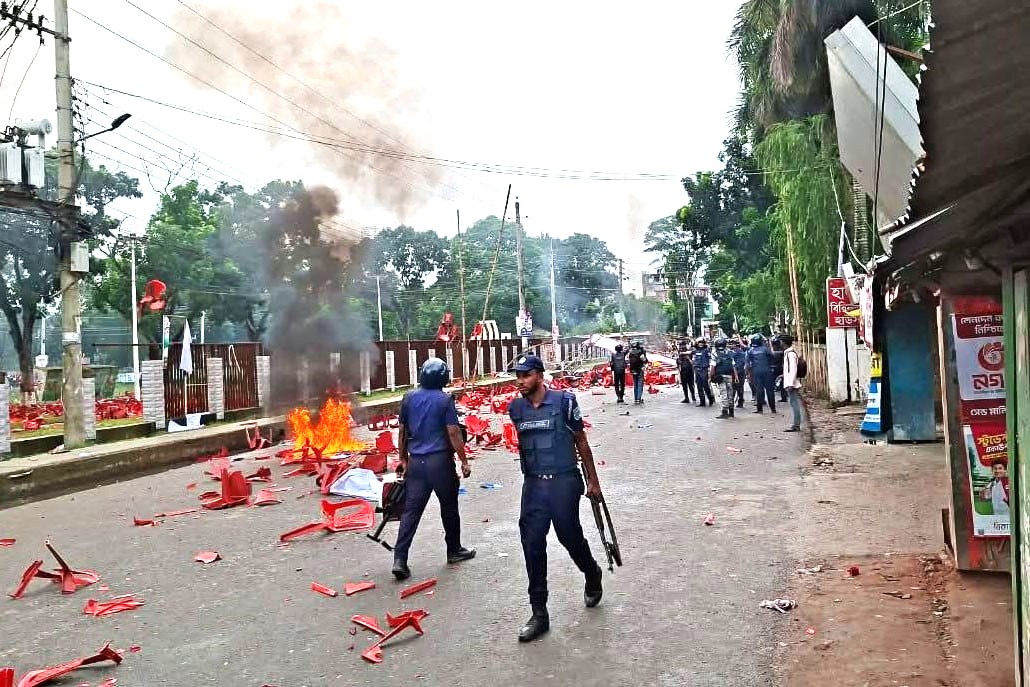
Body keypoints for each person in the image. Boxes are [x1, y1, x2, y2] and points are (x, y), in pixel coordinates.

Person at [508, 354, 603, 643]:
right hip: (534, 485)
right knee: (532, 544)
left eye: (525, 375)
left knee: (569, 536)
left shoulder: (565, 402)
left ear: (539, 375)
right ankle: (539, 614)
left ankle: (592, 572)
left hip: (564, 482)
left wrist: (594, 482)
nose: (520, 381)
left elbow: (581, 441)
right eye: (518, 376)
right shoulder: (516, 408)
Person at [392, 358, 476, 580]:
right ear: (443, 377)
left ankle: (400, 559)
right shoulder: (444, 399)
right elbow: (453, 432)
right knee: (449, 506)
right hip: (439, 463)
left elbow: (402, 432)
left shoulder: (408, 398)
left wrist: (402, 458)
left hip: (416, 463)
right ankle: (454, 550)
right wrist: (464, 461)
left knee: (411, 511)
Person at [745, 334, 776, 414]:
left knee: (759, 391)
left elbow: (748, 364)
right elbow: (773, 357)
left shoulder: (750, 351)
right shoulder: (766, 349)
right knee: (770, 391)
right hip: (767, 371)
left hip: (756, 372)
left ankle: (760, 409)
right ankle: (773, 409)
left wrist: (748, 374)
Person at [709, 337, 737, 419]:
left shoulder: (715, 354)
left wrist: (711, 377)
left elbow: (712, 367)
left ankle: (725, 412)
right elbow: (733, 366)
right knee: (730, 393)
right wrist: (736, 376)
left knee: (723, 394)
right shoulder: (730, 353)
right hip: (729, 376)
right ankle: (731, 412)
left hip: (720, 377)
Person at [781, 334, 802, 431]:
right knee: (794, 403)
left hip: (792, 383)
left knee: (795, 404)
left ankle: (796, 425)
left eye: (781, 341)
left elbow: (793, 370)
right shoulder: (788, 353)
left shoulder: (790, 354)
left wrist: (790, 383)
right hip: (791, 382)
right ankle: (796, 424)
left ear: (784, 342)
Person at [692, 337, 715, 407]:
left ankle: (710, 398)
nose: (700, 344)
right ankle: (702, 401)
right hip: (697, 370)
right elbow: (691, 352)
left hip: (704, 370)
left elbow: (710, 356)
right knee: (699, 386)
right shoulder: (696, 351)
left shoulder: (706, 351)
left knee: (705, 386)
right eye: (699, 343)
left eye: (702, 343)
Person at [677, 337, 696, 404]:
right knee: (687, 384)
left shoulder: (689, 351)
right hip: (684, 369)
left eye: (682, 345)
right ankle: (688, 397)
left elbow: (692, 359)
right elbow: (678, 361)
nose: (681, 347)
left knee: (689, 384)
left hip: (688, 369)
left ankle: (691, 397)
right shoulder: (681, 352)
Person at [770, 336, 788, 404]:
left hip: (775, 368)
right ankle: (784, 397)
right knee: (781, 383)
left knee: (773, 383)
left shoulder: (774, 351)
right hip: (779, 367)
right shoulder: (781, 350)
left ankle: (776, 397)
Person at [730, 338, 747, 409]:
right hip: (734, 372)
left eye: (732, 344)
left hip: (739, 372)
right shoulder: (732, 352)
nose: (730, 345)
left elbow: (739, 364)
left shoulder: (740, 353)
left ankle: (740, 402)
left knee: (738, 388)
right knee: (734, 388)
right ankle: (735, 402)